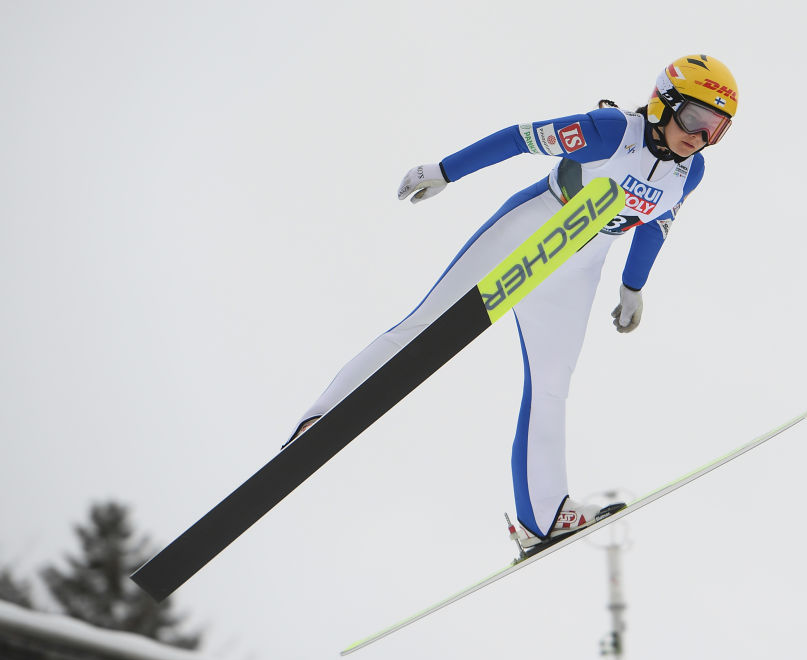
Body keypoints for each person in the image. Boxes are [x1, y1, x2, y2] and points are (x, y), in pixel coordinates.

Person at [288, 54, 738, 553]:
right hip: (535, 224)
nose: (698, 138)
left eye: (715, 130)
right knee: (425, 326)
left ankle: (542, 518)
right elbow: (519, 138)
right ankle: (322, 417)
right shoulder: (613, 131)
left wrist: (633, 287)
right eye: (695, 119)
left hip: (580, 265)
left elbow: (655, 228)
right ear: (664, 102)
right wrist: (444, 170)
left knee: (552, 387)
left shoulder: (689, 173)